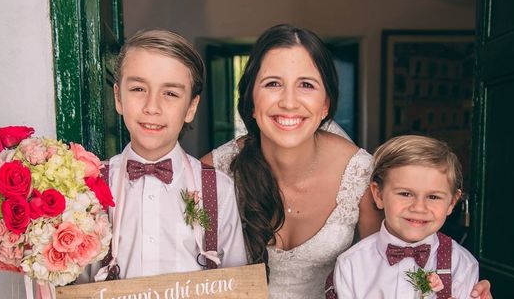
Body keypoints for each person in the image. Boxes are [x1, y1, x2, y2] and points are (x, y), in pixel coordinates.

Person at [202, 24, 492, 299]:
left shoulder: (358, 173)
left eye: (306, 85)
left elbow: (388, 269)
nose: (289, 102)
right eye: (273, 83)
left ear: (326, 103)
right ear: (251, 100)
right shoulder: (209, 174)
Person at [91, 29, 247, 281]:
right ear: (118, 97)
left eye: (171, 93)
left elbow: (239, 287)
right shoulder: (92, 187)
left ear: (191, 107)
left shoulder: (218, 189)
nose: (152, 107)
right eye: (139, 89)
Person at [333, 135, 478, 298]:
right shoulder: (351, 265)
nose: (419, 208)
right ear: (379, 195)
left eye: (433, 197)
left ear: (452, 202)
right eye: (405, 194)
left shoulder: (462, 265)